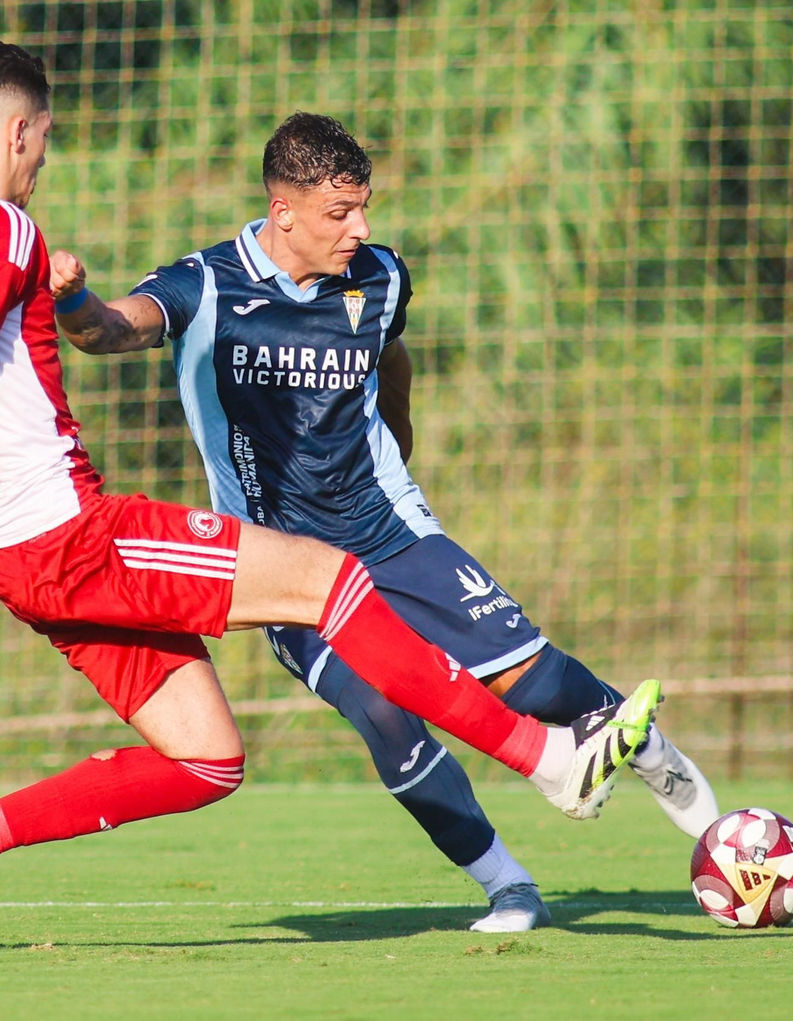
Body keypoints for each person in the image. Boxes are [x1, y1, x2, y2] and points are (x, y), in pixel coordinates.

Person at [0, 42, 663, 955]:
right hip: (68, 535)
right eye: (44, 141)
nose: (43, 160)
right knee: (328, 578)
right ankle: (554, 762)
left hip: (23, 563)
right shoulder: (0, 225)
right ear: (19, 129)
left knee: (207, 759)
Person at [48, 112, 720, 933]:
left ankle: (658, 761)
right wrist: (73, 295)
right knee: (386, 714)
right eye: (340, 214)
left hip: (390, 532)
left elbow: (388, 355)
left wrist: (397, 439)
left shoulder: (381, 278)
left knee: (533, 682)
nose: (360, 228)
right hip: (278, 566)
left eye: (364, 208)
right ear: (283, 210)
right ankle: (509, 886)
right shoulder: (210, 285)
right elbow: (108, 332)